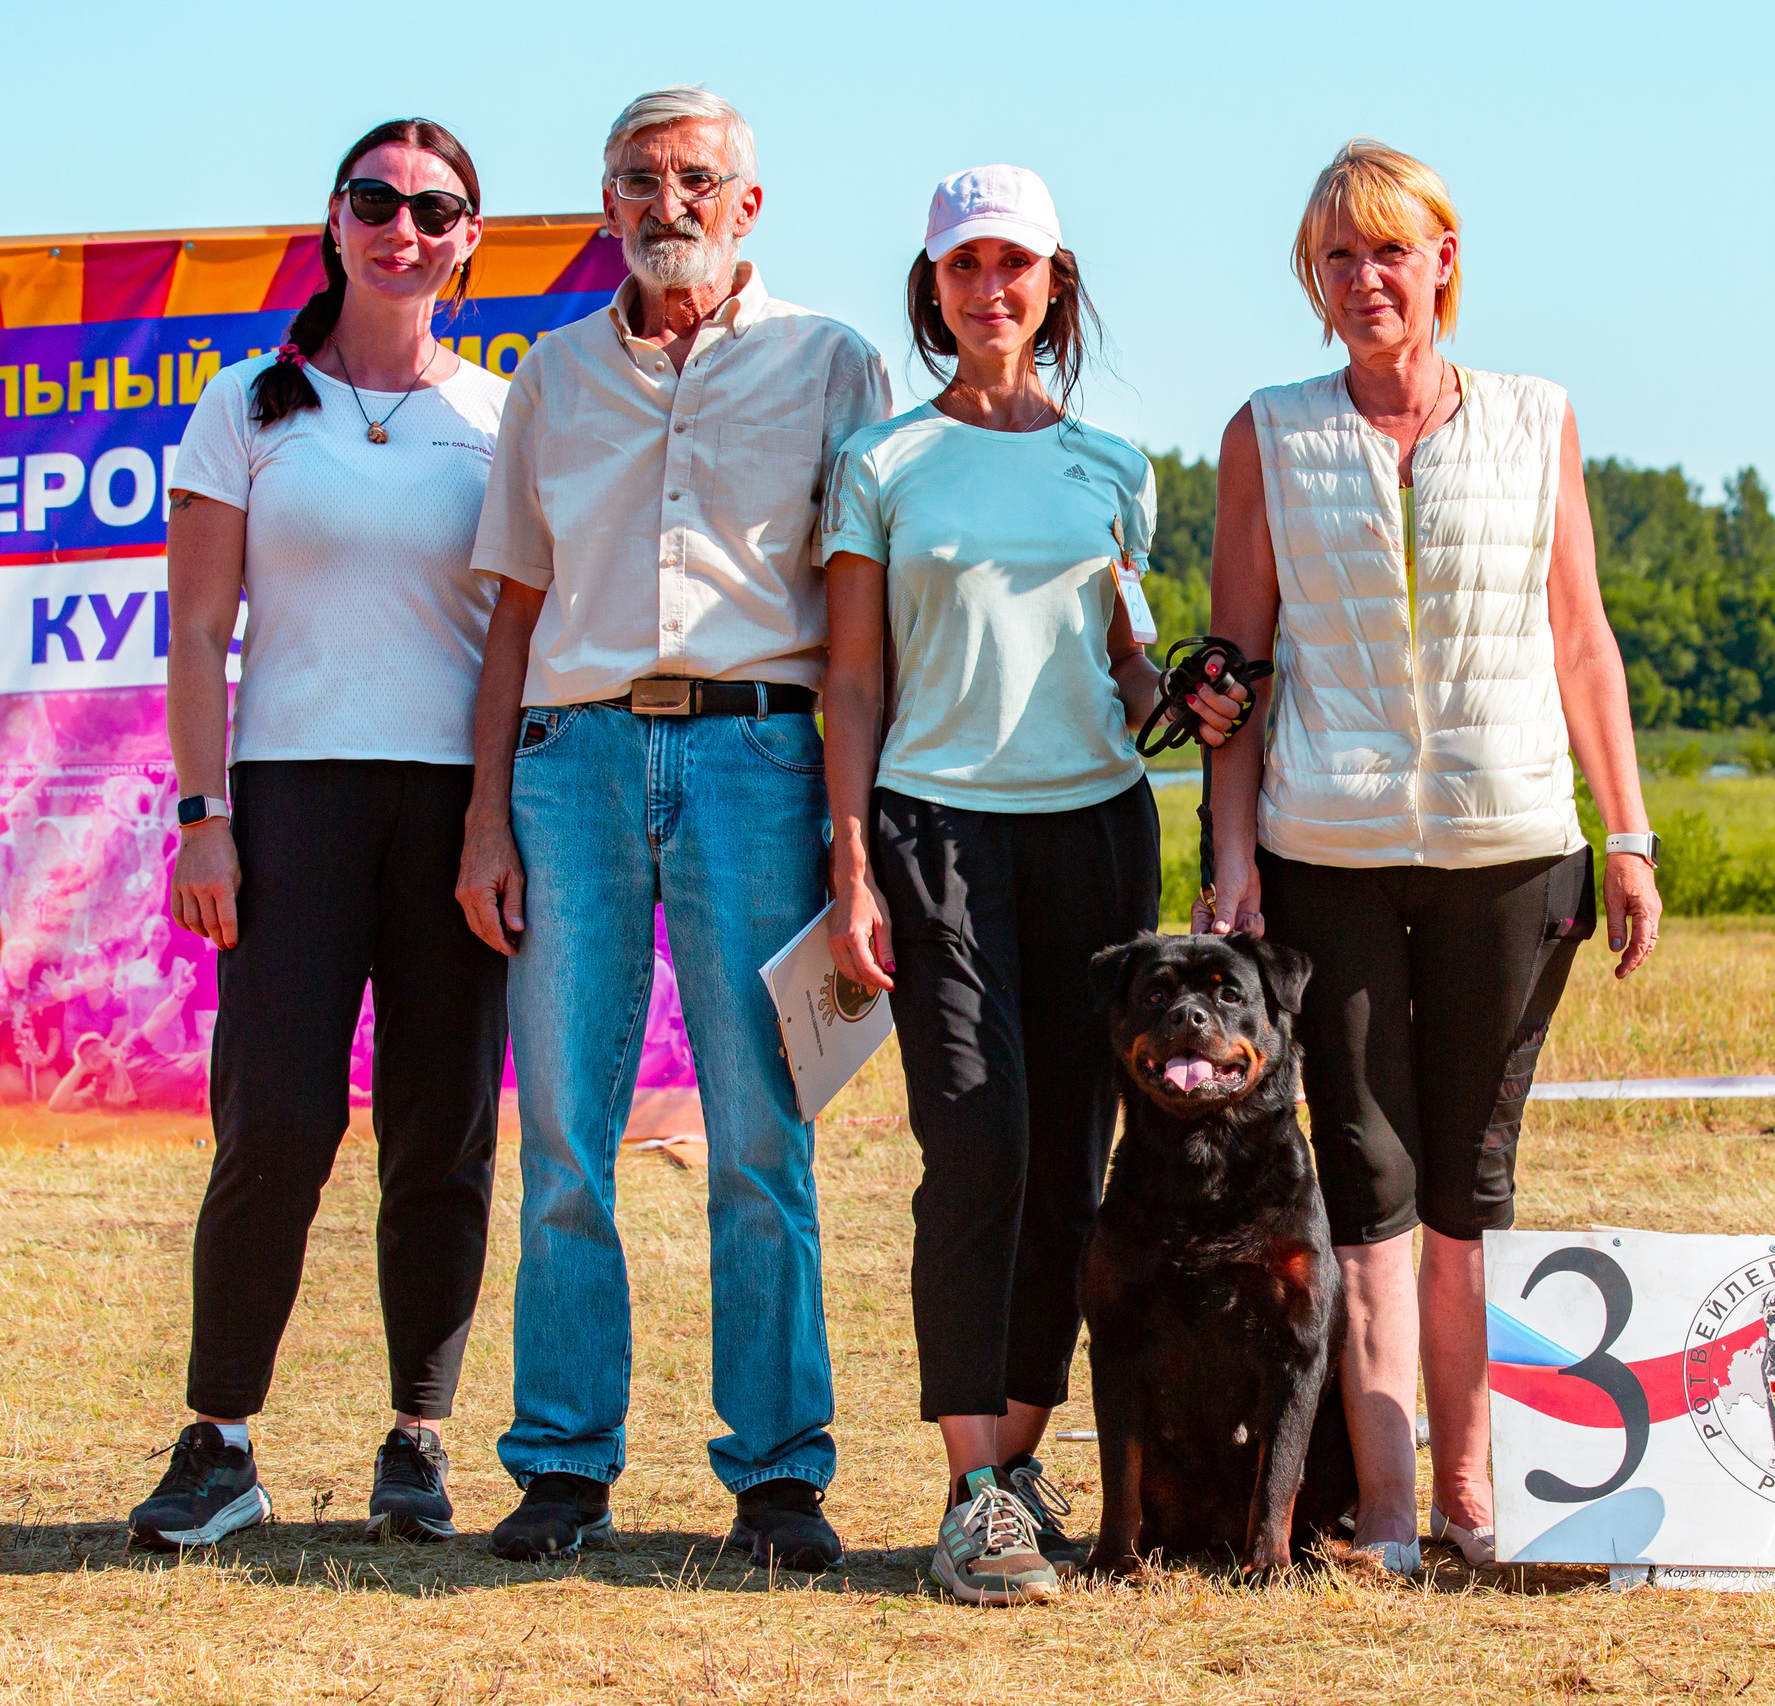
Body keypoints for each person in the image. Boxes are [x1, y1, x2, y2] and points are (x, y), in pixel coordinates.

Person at [1195, 139, 1663, 1575]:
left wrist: (1627, 832)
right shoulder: (1265, 432)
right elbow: (1236, 666)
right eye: (1338, 259)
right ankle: (1390, 1523)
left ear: (1443, 260)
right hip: (1324, 845)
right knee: (1365, 1179)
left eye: (1390, 250)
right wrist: (1232, 857)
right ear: (1314, 283)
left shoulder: (1537, 418)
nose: (1365, 279)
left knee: (1473, 1182)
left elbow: (1582, 640)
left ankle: (1477, 1503)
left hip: (1515, 845)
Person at [456, 87, 892, 1571]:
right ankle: (563, 1465)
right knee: (568, 1133)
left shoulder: (835, 364)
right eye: (638, 180)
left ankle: (777, 1473)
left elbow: (857, 632)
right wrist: (483, 824)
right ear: (605, 208)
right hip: (568, 767)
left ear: (749, 205)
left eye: (697, 176)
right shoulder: (552, 376)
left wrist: (851, 841)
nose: (669, 201)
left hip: (757, 762)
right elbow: (511, 613)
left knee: (762, 1133)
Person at [130, 118, 510, 1550]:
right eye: (376, 200)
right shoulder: (246, 404)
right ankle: (220, 1437)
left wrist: (494, 820)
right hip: (285, 803)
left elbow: (518, 639)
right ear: (334, 221)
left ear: (470, 235)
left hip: (457, 812)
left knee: (442, 1132)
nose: (401, 226)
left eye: (433, 206)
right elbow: (197, 632)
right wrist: (205, 816)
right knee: (276, 1121)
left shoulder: (499, 416)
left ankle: (419, 1435)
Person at [822, 165, 1162, 1605]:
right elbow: (850, 676)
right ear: (934, 291)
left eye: (1014, 265)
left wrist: (1186, 688)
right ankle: (970, 1493)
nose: (990, 290)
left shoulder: (1115, 468)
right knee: (979, 1145)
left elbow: (1131, 670)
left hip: (1098, 832)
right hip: (934, 831)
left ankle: (1017, 1463)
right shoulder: (884, 464)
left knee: (1073, 1168)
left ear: (1054, 284)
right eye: (964, 268)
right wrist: (850, 859)